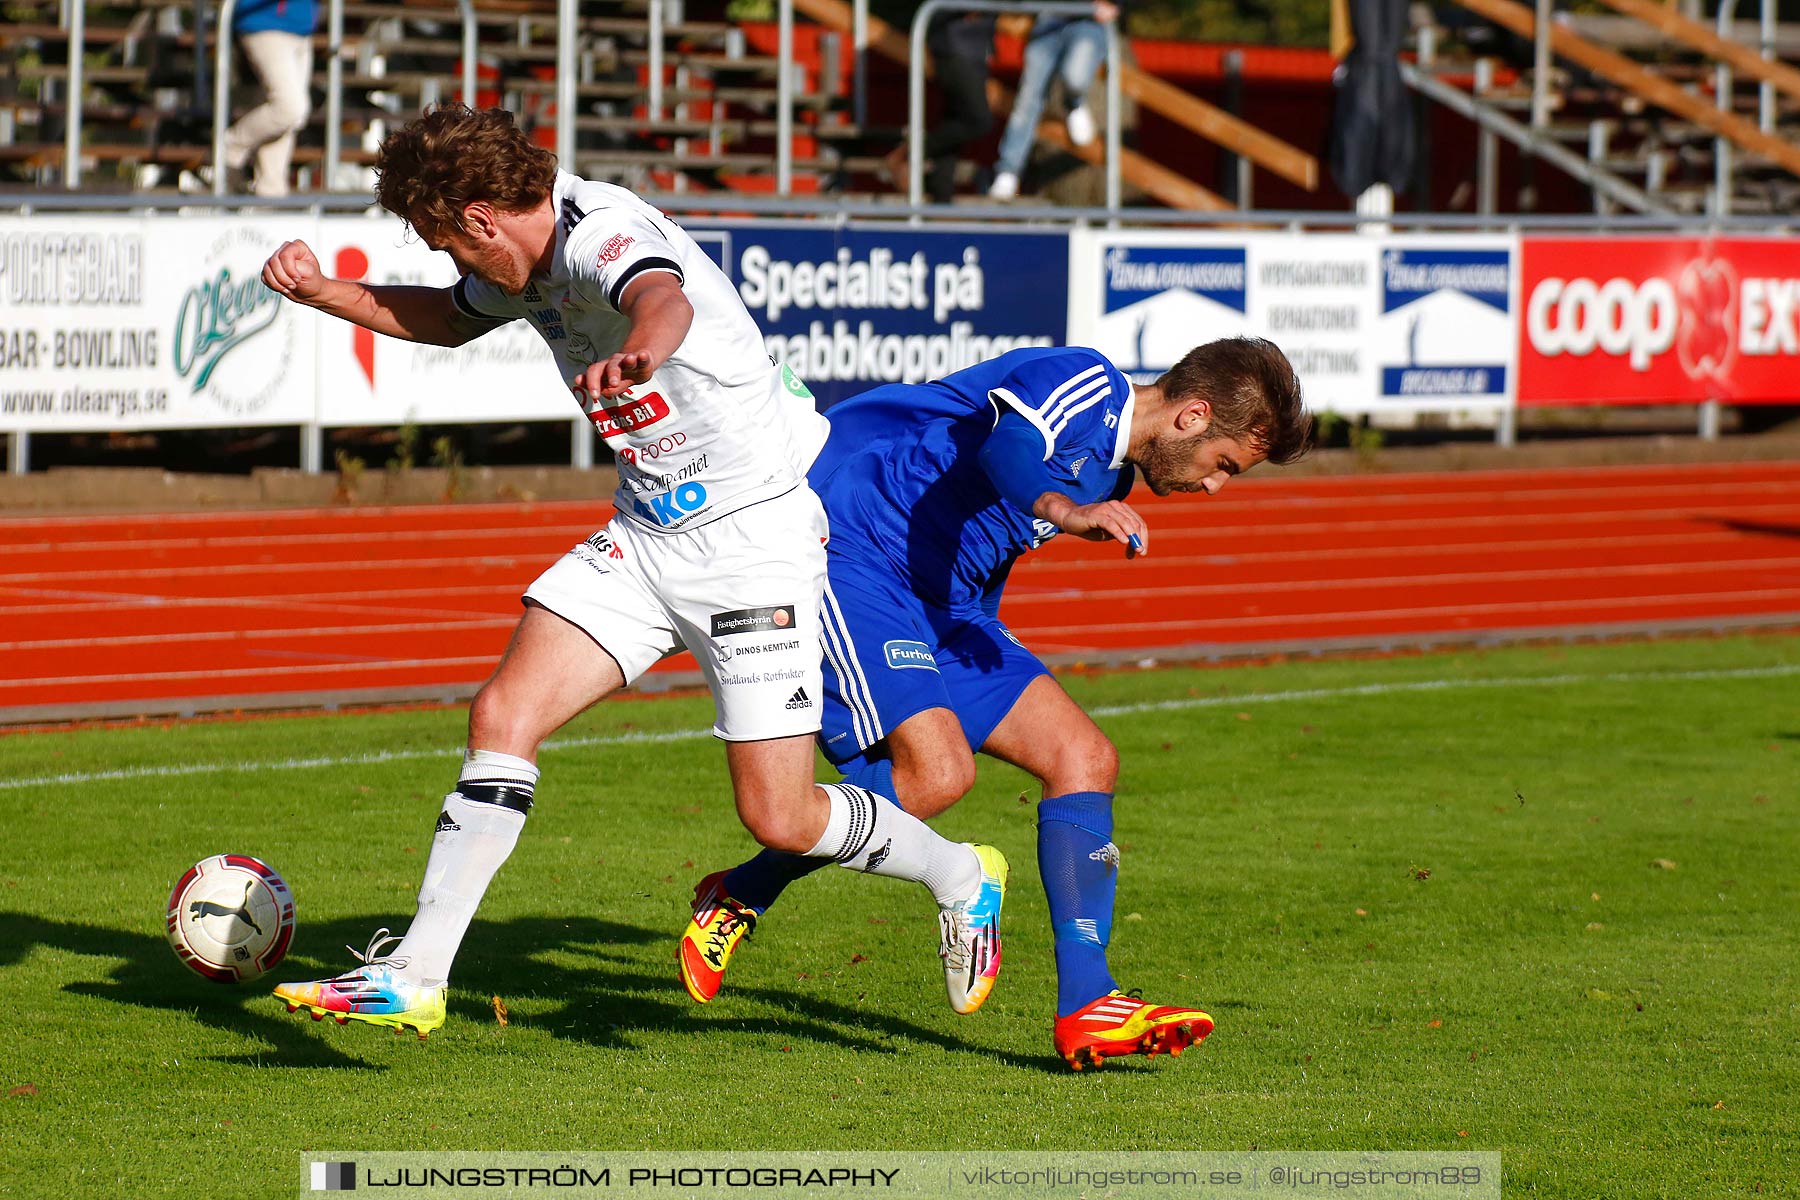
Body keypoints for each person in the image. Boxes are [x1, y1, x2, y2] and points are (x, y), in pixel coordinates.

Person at [259, 104, 1008, 1038]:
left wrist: (644, 347)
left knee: (779, 816)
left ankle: (960, 875)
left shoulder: (602, 232)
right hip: (646, 534)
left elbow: (662, 295)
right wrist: (324, 290)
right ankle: (414, 974)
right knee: (503, 715)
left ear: (482, 216)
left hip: (752, 545)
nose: (451, 260)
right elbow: (449, 321)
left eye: (444, 239)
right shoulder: (518, 264)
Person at [678, 337, 1311, 1069]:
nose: (1215, 488)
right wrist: (1065, 511)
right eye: (1225, 465)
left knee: (1083, 756)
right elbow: (1007, 451)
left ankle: (1088, 1003)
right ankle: (746, 891)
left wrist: (985, 642)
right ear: (1192, 416)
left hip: (947, 609)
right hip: (852, 552)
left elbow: (982, 543)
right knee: (937, 772)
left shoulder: (1114, 477)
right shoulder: (1085, 381)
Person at [988, 1, 1122, 202]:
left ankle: (1074, 103)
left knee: (1075, 78)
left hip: (1088, 20)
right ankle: (1008, 170)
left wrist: (1116, 5)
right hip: (1047, 19)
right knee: (1028, 98)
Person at [885, 9, 995, 202]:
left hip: (974, 49)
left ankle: (941, 196)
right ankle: (906, 154)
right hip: (954, 48)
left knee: (955, 119)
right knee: (979, 121)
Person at [220, 0, 317, 196]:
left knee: (291, 118)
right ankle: (228, 147)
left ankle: (271, 192)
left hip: (301, 28)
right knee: (290, 108)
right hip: (266, 23)